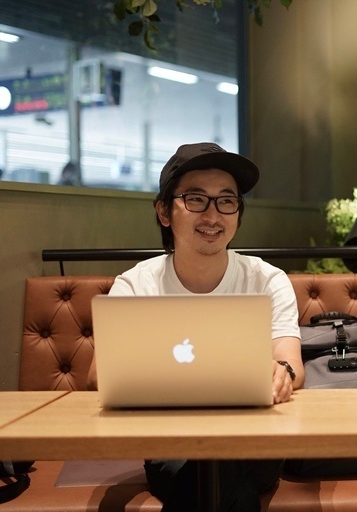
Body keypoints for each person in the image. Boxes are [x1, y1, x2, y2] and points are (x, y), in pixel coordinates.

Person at [87, 142, 305, 512]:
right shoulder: (136, 285)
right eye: (196, 199)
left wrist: (281, 372)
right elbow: (98, 375)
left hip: (254, 440)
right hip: (169, 443)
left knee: (213, 479)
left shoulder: (267, 280)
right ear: (164, 211)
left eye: (226, 201)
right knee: (222, 486)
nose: (213, 215)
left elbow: (291, 362)